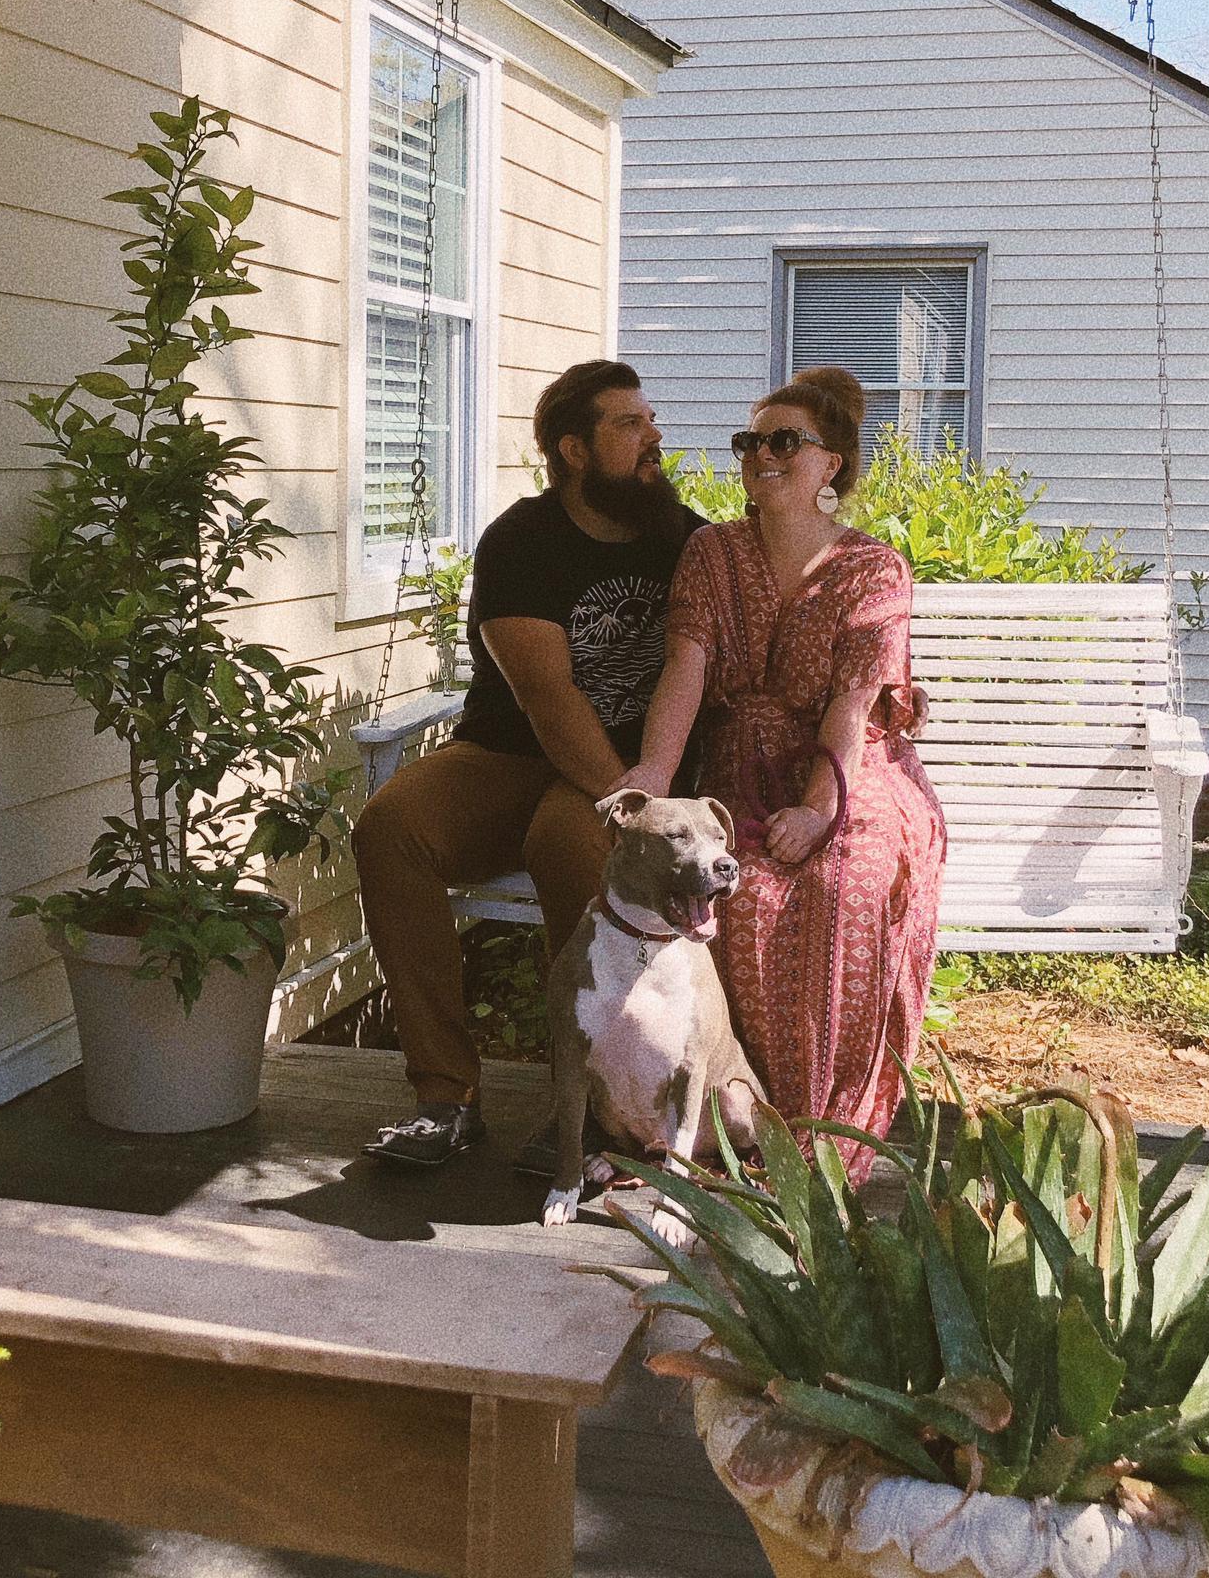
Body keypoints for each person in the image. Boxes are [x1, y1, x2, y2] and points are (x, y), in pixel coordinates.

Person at [355, 359, 704, 1166]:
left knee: (570, 841)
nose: (654, 436)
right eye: (630, 424)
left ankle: (594, 1111)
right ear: (575, 450)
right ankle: (445, 1099)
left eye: (649, 419)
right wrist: (629, 803)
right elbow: (548, 700)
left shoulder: (684, 539)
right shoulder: (521, 541)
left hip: (631, 765)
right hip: (510, 753)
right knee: (391, 828)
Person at [621, 367, 947, 1180]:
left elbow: (853, 706)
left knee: (843, 885)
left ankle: (818, 1129)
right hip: (739, 765)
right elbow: (686, 670)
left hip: (851, 772)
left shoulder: (874, 569)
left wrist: (818, 809)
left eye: (783, 442)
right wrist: (653, 773)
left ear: (830, 462)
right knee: (736, 887)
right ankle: (732, 1115)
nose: (760, 455)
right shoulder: (713, 552)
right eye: (750, 442)